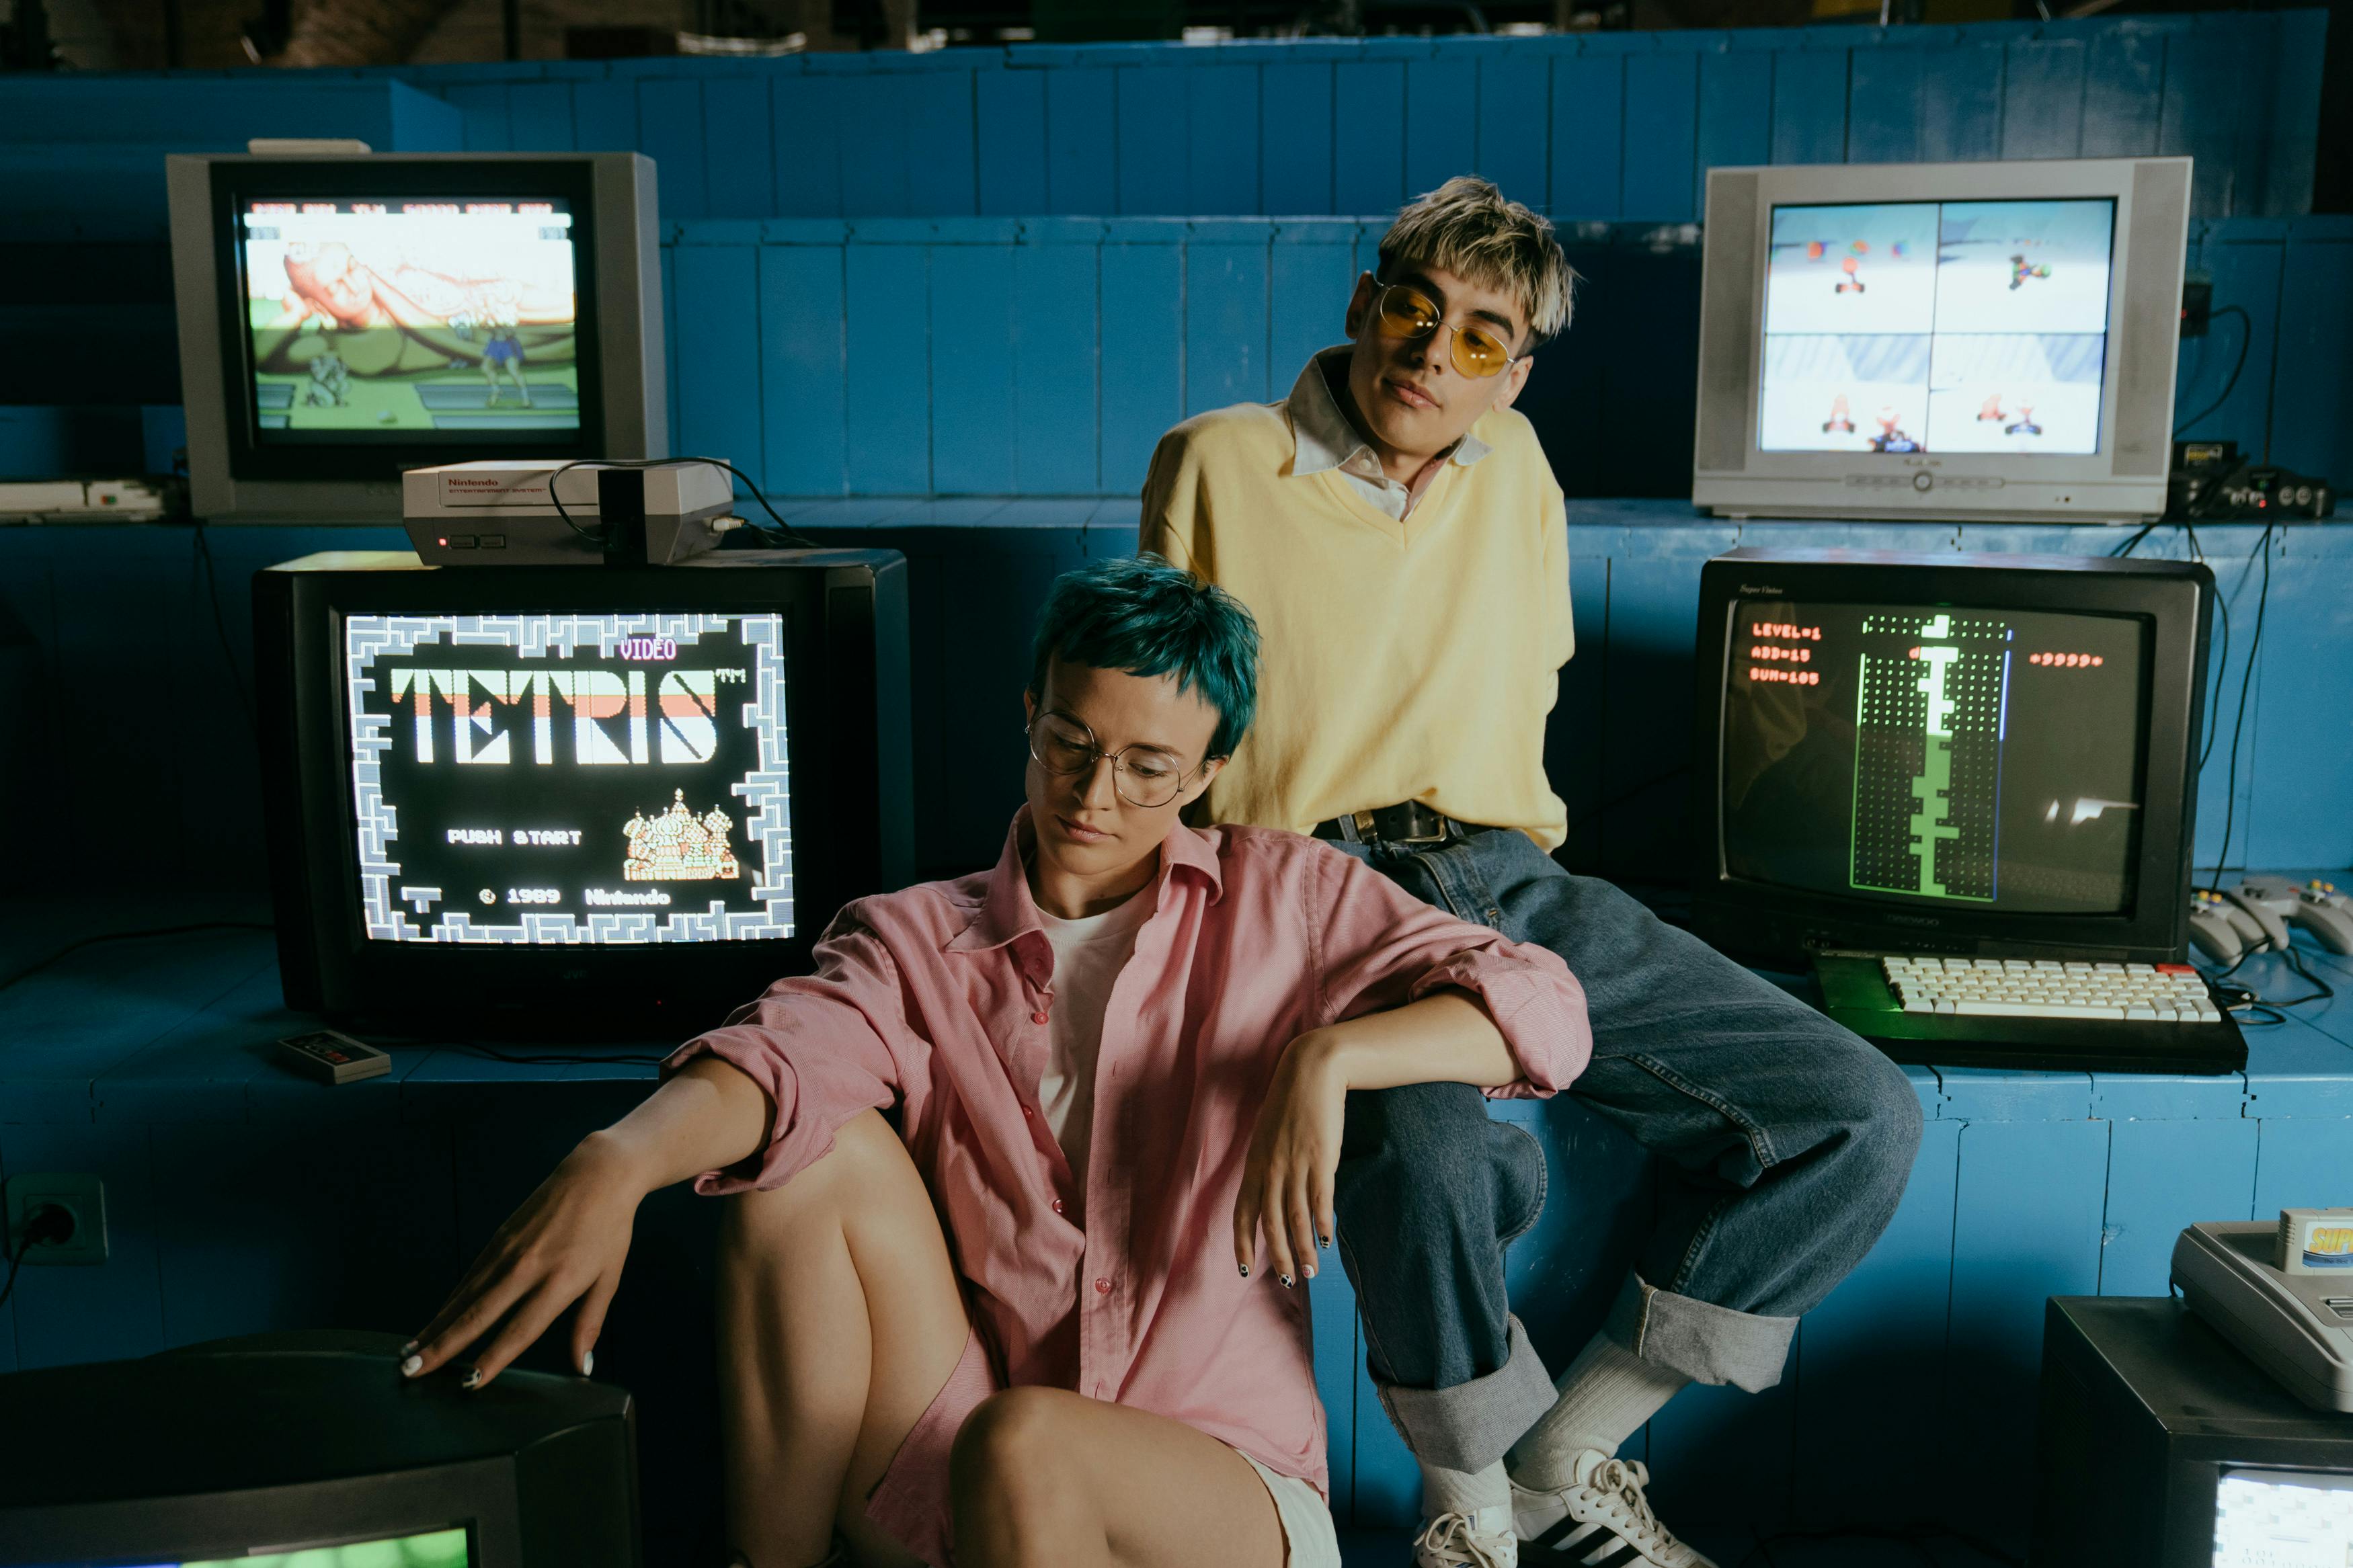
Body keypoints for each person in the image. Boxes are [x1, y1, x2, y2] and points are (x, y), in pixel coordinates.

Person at [397, 554, 1593, 1568]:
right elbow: (782, 1057)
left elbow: (1545, 1004)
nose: (1094, 790)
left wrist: (1328, 1057)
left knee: (1032, 1440)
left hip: (1220, 1493)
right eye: (1072, 737)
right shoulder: (913, 936)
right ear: (1031, 710)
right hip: (965, 1465)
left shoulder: (1291, 899)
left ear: (1210, 770)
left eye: (1147, 767)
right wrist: (614, 1164)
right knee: (803, 1163)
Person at [1140, 176, 1924, 1568]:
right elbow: (1165, 722)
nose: (1434, 356)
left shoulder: (1520, 474)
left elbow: (1518, 687)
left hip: (1505, 880)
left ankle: (1572, 1452)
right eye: (1413, 309)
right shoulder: (1217, 461)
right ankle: (1470, 1516)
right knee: (1428, 1147)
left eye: (1483, 338)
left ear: (1517, 371)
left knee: (1857, 1114)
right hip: (1315, 887)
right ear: (1363, 304)